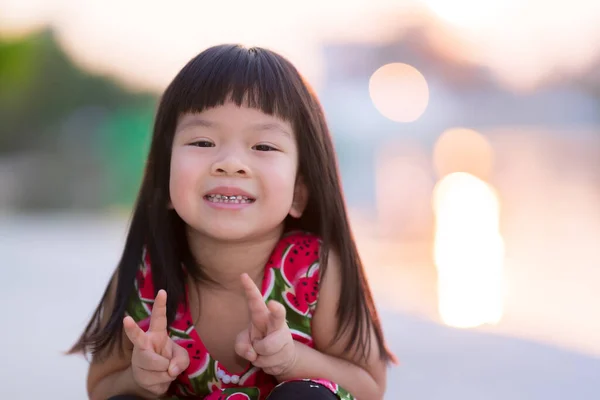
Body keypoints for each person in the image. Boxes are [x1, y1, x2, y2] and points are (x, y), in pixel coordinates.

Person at [69, 43, 397, 400]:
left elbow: (369, 387)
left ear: (300, 191)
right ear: (164, 182)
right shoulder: (145, 274)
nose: (230, 162)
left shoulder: (317, 269)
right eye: (203, 141)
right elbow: (101, 387)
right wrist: (141, 377)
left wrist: (291, 360)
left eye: (264, 147)